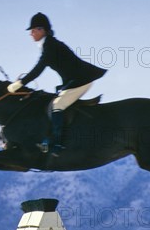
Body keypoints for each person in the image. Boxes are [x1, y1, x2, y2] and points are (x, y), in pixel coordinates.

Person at [7, 12, 107, 154]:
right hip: (75, 81)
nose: (31, 34)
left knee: (57, 105)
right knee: (53, 102)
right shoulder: (49, 44)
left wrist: (19, 84)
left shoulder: (50, 46)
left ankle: (57, 144)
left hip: (82, 80)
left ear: (42, 30)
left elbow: (38, 69)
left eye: (33, 30)